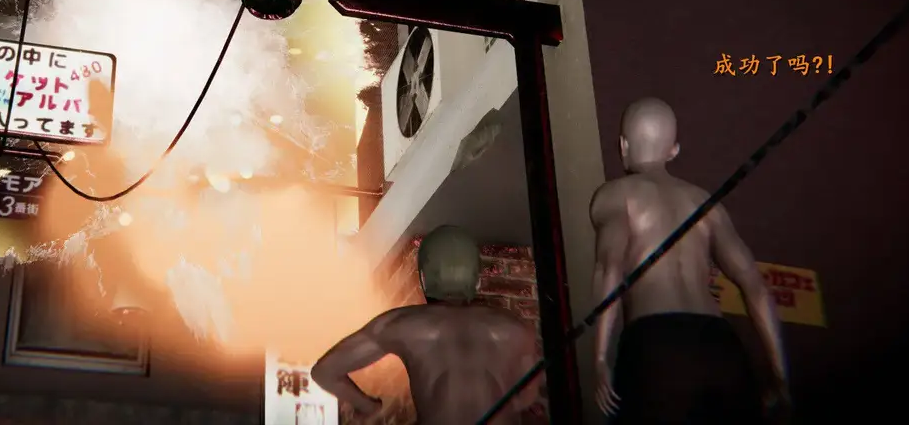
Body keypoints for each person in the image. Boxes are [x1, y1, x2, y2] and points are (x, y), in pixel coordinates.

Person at [590, 97, 790, 424]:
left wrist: (599, 357)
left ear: (623, 145)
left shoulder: (616, 194)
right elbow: (755, 286)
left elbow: (608, 267)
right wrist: (778, 371)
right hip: (720, 345)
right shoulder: (704, 203)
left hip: (657, 343)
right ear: (673, 150)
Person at [311, 225, 542, 424]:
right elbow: (526, 398)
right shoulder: (517, 329)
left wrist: (368, 406)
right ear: (477, 281)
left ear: (423, 277)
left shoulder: (402, 324)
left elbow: (324, 371)